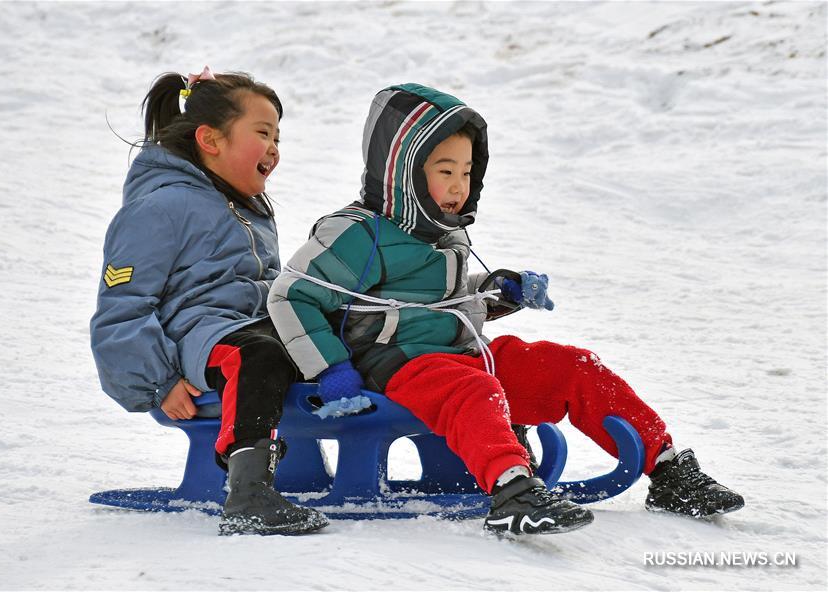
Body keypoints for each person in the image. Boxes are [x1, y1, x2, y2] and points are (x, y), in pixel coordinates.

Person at [267, 83, 744, 536]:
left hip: (461, 353)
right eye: (444, 170)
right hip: (396, 362)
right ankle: (513, 490)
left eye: (467, 172)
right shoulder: (356, 233)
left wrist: (497, 291)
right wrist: (330, 368)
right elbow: (292, 295)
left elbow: (444, 301)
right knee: (473, 388)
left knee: (568, 365)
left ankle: (665, 467)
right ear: (404, 171)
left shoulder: (444, 230)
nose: (458, 186)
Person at [90, 67, 328, 536]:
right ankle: (248, 493)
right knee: (255, 354)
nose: (275, 148)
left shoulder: (243, 207)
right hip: (200, 343)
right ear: (211, 140)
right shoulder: (160, 207)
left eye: (279, 135)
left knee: (334, 332)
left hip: (255, 326)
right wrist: (158, 381)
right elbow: (120, 309)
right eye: (263, 133)